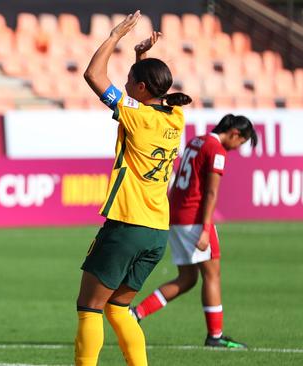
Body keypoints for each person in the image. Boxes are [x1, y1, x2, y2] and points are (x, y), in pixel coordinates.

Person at [75, 11, 192, 366]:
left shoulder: (135, 116)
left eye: (130, 79)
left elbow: (93, 75)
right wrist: (142, 58)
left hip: (127, 224)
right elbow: (149, 95)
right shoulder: (175, 117)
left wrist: (115, 35)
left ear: (141, 88)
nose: (125, 83)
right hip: (157, 231)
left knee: (90, 307)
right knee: (119, 308)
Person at [131, 114, 257, 349]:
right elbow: (210, 193)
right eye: (241, 143)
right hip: (194, 219)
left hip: (177, 215)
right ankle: (215, 336)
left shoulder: (195, 141)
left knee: (187, 278)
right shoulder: (216, 150)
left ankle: (135, 314)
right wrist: (206, 229)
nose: (238, 148)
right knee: (212, 275)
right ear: (234, 134)